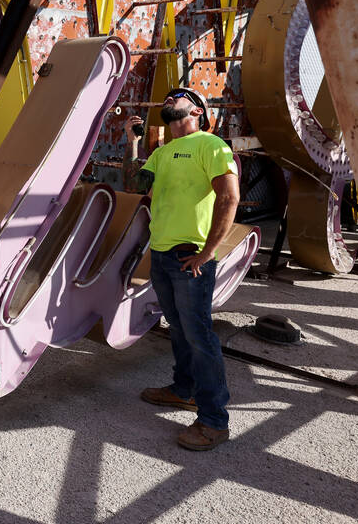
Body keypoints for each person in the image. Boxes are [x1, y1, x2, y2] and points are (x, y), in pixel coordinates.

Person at [123, 87, 240, 451]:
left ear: (199, 111)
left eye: (180, 96)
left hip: (190, 257)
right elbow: (135, 183)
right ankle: (183, 389)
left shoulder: (211, 145)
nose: (169, 99)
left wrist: (207, 254)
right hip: (161, 255)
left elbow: (229, 196)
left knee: (200, 336)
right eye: (167, 98)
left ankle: (214, 421)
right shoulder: (161, 153)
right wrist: (132, 143)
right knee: (179, 329)